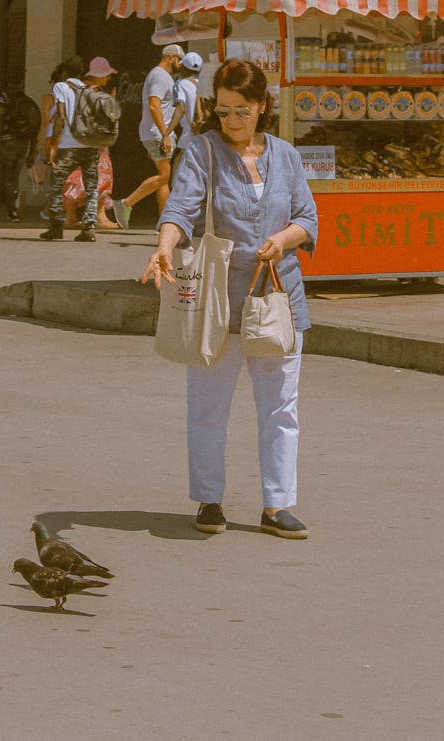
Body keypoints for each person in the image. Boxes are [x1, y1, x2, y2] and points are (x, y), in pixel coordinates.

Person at [141, 57, 318, 540]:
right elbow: (180, 205)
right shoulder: (202, 151)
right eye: (222, 112)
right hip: (216, 301)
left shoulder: (286, 156)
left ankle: (278, 505)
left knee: (281, 407)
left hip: (279, 299)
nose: (231, 121)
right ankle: (209, 499)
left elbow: (308, 218)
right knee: (207, 405)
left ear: (261, 106)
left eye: (241, 111)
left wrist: (283, 240)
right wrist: (164, 244)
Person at [40, 55, 115, 243]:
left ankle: (56, 226)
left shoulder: (61, 87)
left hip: (69, 145)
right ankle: (89, 228)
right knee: (91, 187)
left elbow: (60, 116)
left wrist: (53, 144)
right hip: (90, 145)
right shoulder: (88, 89)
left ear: (65, 72)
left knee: (56, 184)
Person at [111, 43, 184, 229]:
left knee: (163, 177)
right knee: (164, 176)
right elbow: (153, 105)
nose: (180, 63)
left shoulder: (160, 75)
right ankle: (126, 203)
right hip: (158, 133)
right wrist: (164, 134)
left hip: (155, 132)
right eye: (179, 59)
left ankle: (164, 222)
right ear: (171, 58)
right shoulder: (160, 76)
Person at [0, 80, 42, 221]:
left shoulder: (3, 98)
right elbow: (35, 128)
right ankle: (13, 207)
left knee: (7, 176)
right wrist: (33, 150)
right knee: (14, 176)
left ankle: (11, 209)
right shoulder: (29, 102)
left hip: (6, 143)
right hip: (23, 144)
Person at [168, 50, 205, 174]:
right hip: (207, 137)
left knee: (177, 177)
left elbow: (181, 108)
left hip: (188, 139)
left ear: (184, 67)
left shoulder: (181, 84)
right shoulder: (206, 85)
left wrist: (166, 133)